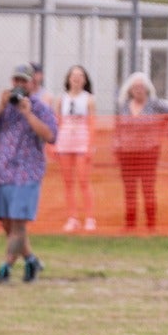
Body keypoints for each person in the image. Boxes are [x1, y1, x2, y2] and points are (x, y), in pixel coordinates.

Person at [0, 63, 57, 283]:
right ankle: (31, 260)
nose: (19, 85)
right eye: (17, 80)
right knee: (6, 222)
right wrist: (0, 107)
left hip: (27, 173)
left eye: (24, 81)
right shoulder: (5, 107)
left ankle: (6, 266)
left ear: (33, 83)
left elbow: (50, 136)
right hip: (3, 171)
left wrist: (28, 114)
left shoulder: (40, 108)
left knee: (18, 224)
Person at [113, 72, 168, 231]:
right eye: (135, 87)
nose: (138, 90)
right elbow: (118, 128)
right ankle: (130, 224)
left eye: (141, 87)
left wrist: (166, 132)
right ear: (130, 90)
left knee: (147, 187)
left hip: (148, 152)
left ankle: (151, 224)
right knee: (129, 189)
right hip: (127, 153)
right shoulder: (123, 106)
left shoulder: (155, 105)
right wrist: (116, 147)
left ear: (147, 89)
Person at [54, 64, 96, 232]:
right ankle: (72, 217)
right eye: (73, 76)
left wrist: (90, 146)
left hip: (82, 142)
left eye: (80, 76)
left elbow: (92, 124)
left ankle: (90, 218)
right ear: (68, 79)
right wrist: (54, 144)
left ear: (84, 80)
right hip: (65, 142)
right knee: (68, 182)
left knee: (83, 180)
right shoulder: (61, 99)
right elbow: (57, 123)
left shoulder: (89, 99)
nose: (76, 79)